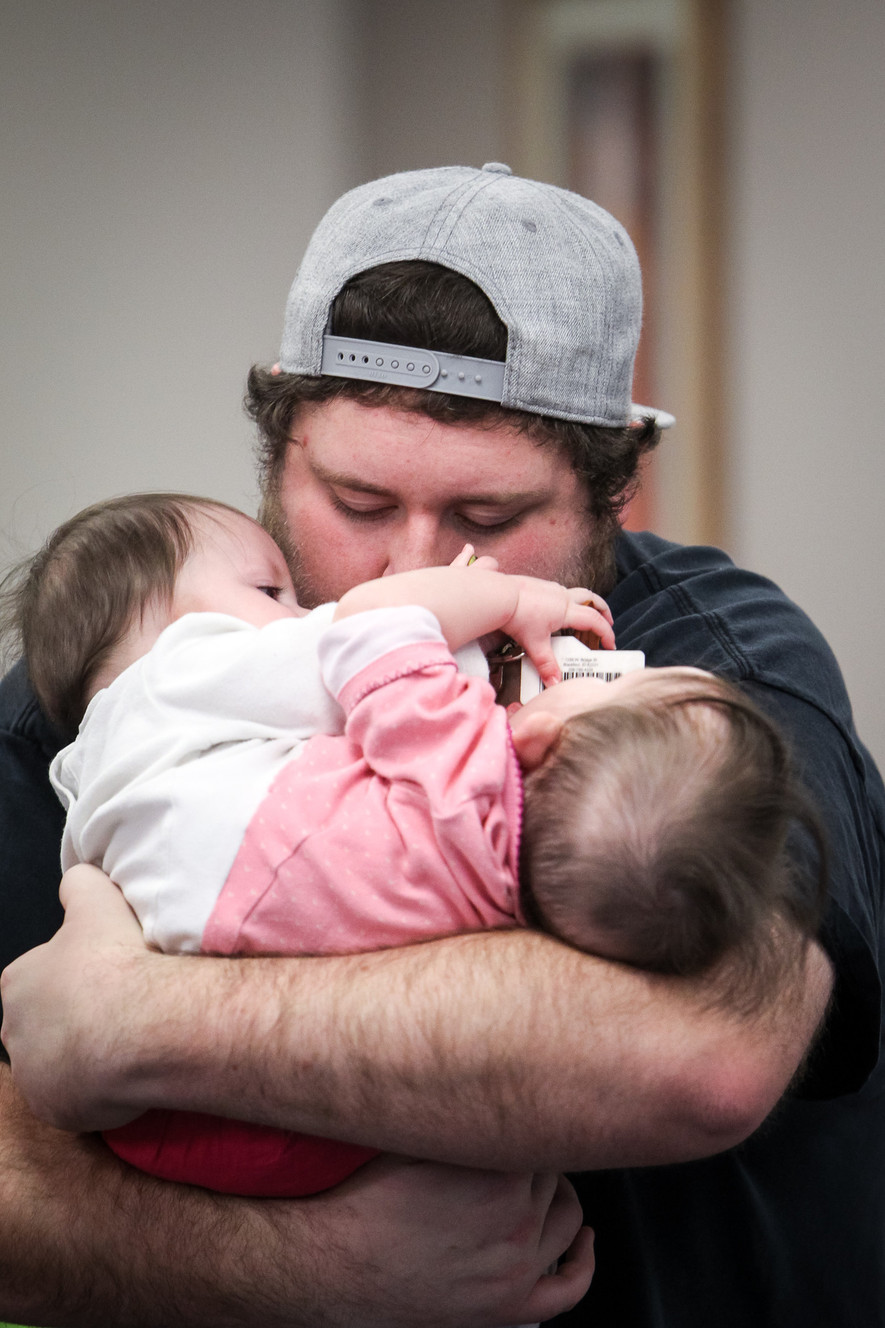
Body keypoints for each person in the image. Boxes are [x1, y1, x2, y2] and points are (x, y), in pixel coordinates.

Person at [0, 163, 880, 1328]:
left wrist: (120, 1021)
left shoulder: (713, 663)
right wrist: (284, 1262)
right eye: (357, 502)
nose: (410, 566)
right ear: (276, 453)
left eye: (488, 519)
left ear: (613, 489)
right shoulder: (127, 677)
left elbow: (707, 1052)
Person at [12, 489, 824, 1203]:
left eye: (490, 513)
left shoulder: (109, 742)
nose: (300, 616)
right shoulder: (508, 900)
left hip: (170, 1128)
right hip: (319, 1150)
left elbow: (377, 632)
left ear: (528, 739)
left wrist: (491, 600)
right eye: (270, 591)